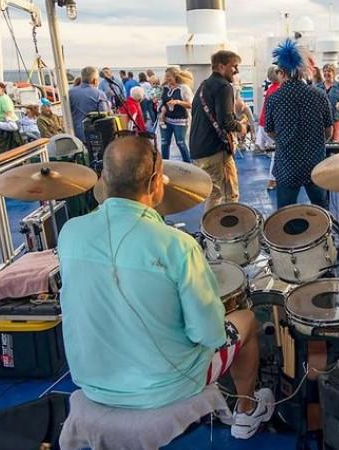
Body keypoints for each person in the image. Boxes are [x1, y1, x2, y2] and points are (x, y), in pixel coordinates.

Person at [57, 135, 273, 440]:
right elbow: (209, 334)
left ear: (103, 180)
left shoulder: (70, 233)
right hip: (168, 386)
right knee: (246, 320)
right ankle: (246, 412)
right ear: (156, 183)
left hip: (92, 382)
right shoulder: (177, 246)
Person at [265, 39, 332, 209]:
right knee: (322, 209)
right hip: (314, 163)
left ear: (282, 72)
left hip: (287, 164)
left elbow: (270, 131)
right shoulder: (319, 95)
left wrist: (286, 137)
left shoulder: (274, 98)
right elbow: (328, 131)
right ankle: (325, 235)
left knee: (285, 214)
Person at [190, 50, 246, 210]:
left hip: (199, 149)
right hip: (216, 152)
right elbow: (226, 122)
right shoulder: (223, 87)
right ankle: (226, 233)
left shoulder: (203, 85)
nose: (236, 71)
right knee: (229, 196)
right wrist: (241, 127)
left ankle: (210, 233)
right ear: (221, 66)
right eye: (234, 66)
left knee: (214, 194)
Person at [159, 67, 193, 162]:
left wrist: (178, 102)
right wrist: (162, 108)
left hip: (180, 120)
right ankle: (164, 164)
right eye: (166, 76)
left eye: (169, 76)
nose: (167, 78)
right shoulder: (165, 88)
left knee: (181, 143)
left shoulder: (183, 88)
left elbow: (190, 105)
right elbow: (161, 102)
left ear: (175, 76)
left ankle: (188, 164)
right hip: (166, 119)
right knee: (164, 143)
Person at [257, 66, 282, 191]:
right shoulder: (278, 89)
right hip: (269, 125)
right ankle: (272, 180)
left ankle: (275, 178)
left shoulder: (271, 88)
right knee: (276, 153)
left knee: (276, 153)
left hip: (264, 123)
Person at [69, 66, 110, 143]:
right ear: (94, 80)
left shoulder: (70, 92)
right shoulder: (99, 94)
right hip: (93, 135)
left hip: (75, 135)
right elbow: (105, 115)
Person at [316, 64, 339, 142]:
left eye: (329, 71)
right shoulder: (318, 87)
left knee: (336, 141)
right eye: (325, 71)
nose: (326, 73)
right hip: (322, 119)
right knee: (323, 141)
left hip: (336, 118)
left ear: (333, 73)